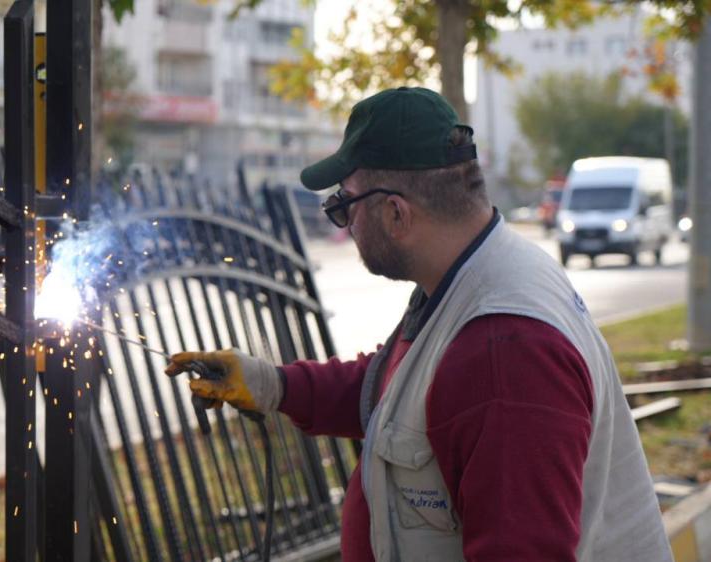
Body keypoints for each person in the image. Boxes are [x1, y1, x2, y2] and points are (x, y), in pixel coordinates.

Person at [166, 87, 672, 561]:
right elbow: (397, 393)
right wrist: (272, 384)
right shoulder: (468, 280)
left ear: (395, 214)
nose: (341, 223)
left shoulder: (503, 354)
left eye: (343, 205)